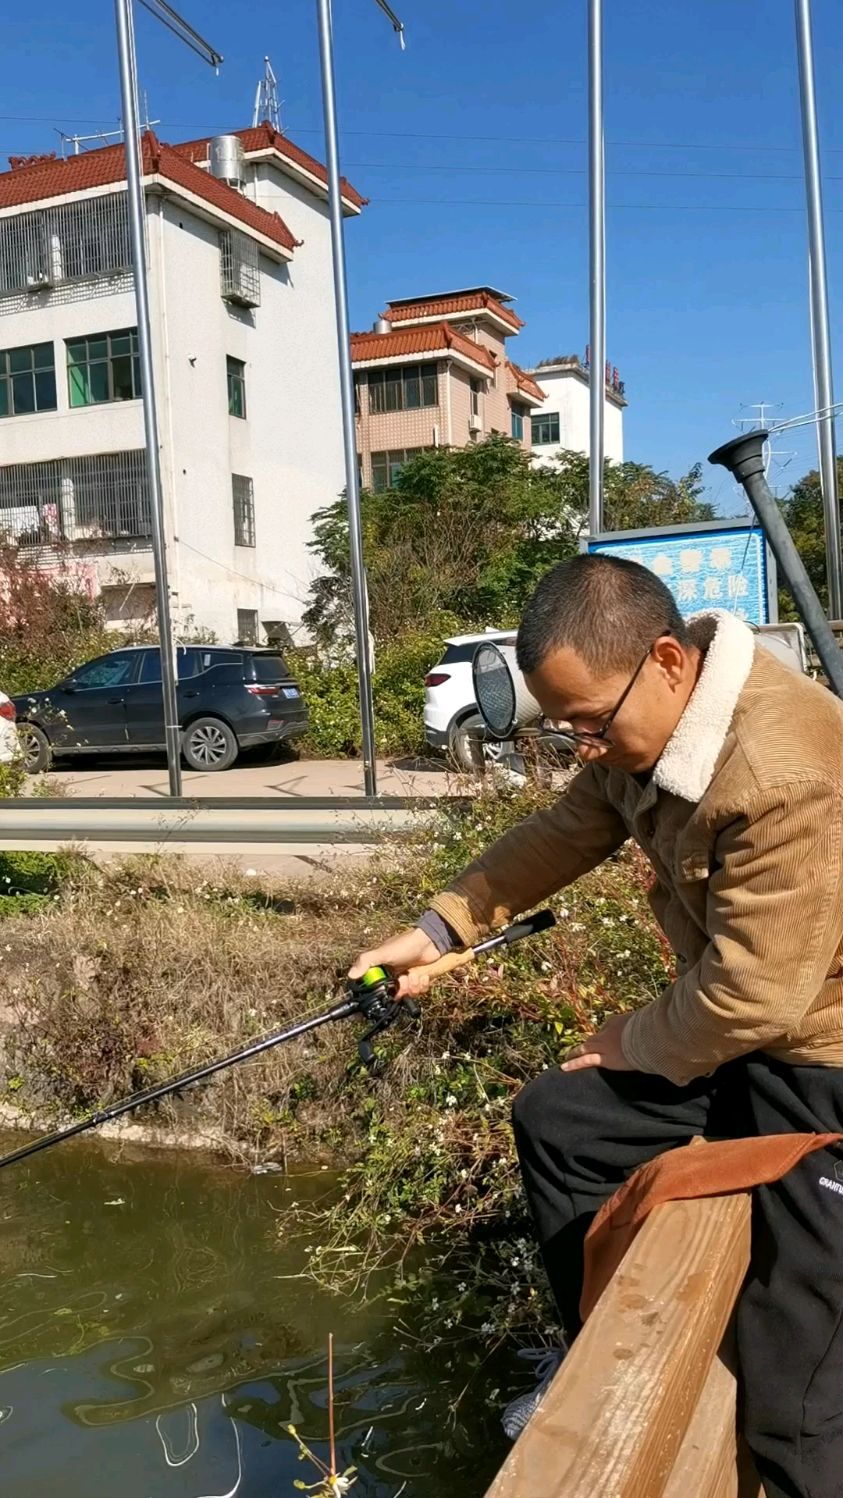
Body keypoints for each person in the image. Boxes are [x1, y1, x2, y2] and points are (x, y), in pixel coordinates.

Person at [350, 553, 843, 1498]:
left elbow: (756, 994)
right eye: (563, 724)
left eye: (588, 722)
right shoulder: (645, 738)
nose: (581, 746)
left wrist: (635, 1039)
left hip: (819, 1059)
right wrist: (434, 928)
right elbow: (563, 834)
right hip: (741, 1042)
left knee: (798, 1388)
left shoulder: (783, 770)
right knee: (560, 1120)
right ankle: (600, 1350)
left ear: (665, 660)